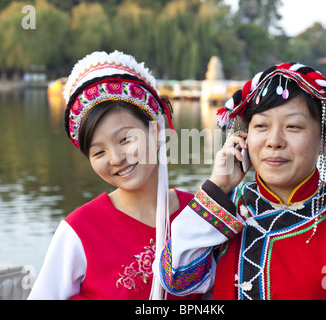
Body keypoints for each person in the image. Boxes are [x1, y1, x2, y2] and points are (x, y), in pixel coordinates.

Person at [154, 62, 326, 300]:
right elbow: (176, 279)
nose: (274, 141)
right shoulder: (222, 211)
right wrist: (218, 188)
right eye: (261, 126)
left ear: (324, 139)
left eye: (293, 126)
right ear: (245, 136)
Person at [28, 50, 198, 300]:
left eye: (125, 139)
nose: (116, 159)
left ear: (157, 130)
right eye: (98, 153)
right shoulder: (79, 231)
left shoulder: (197, 214)